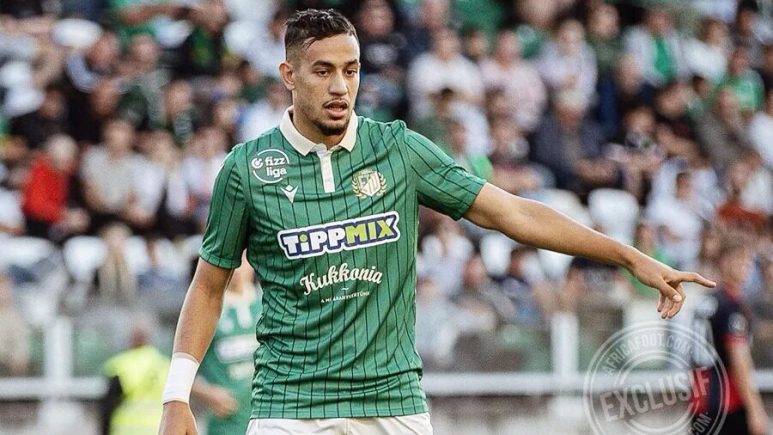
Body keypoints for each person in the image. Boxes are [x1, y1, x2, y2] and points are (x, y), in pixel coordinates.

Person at [159, 9, 715, 435]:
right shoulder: (247, 168)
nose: (340, 87)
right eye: (322, 71)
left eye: (350, 71)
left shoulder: (398, 150)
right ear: (288, 75)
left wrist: (628, 256)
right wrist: (176, 395)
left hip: (391, 403)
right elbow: (208, 285)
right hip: (289, 408)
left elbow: (513, 212)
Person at [690, 241, 770, 435]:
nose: (743, 266)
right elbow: (739, 359)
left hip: (700, 400)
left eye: (747, 260)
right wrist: (756, 410)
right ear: (722, 262)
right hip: (727, 402)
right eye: (737, 259)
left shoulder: (706, 302)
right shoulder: (731, 307)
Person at [191, 258, 262, 435]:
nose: (237, 270)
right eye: (232, 263)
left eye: (242, 262)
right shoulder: (207, 309)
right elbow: (180, 369)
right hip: (225, 424)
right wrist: (208, 393)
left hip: (266, 418)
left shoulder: (268, 304)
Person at [101, 312, 169, 435]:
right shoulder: (165, 365)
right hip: (159, 430)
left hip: (127, 430)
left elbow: (107, 407)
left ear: (131, 338)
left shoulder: (121, 366)